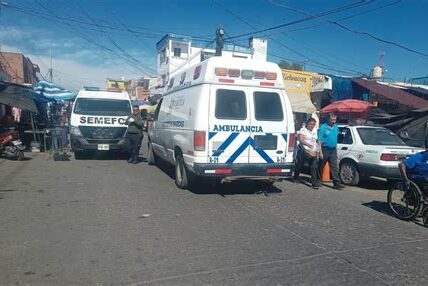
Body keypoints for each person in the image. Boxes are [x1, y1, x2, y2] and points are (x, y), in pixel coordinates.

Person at [293, 118, 322, 189]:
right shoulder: (303, 130)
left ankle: (314, 182)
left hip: (313, 150)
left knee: (314, 166)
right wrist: (307, 144)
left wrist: (319, 151)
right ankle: (296, 177)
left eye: (313, 124)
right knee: (300, 164)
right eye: (311, 124)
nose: (312, 126)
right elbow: (301, 139)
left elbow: (317, 141)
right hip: (304, 150)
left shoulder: (315, 130)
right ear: (307, 124)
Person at [318, 113, 345, 189]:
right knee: (321, 166)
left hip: (333, 149)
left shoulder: (336, 127)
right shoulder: (323, 127)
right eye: (332, 119)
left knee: (334, 167)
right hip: (324, 149)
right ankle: (318, 180)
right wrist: (320, 151)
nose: (334, 121)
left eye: (335, 120)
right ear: (328, 119)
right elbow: (319, 140)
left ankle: (336, 183)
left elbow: (336, 137)